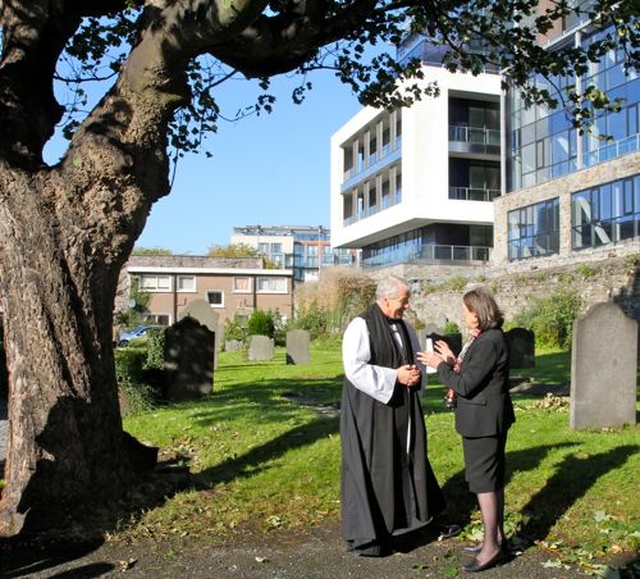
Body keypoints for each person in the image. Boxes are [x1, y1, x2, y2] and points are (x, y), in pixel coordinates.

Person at [340, 275, 447, 557]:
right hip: (373, 410)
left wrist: (413, 375)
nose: (407, 305)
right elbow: (354, 368)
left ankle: (408, 521)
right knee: (379, 463)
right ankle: (378, 529)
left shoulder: (405, 326)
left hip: (402, 407)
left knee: (405, 458)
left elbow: (415, 359)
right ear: (385, 299)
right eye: (403, 300)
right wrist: (394, 377)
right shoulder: (360, 326)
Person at [417, 286, 515, 573]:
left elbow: (465, 385)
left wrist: (440, 367)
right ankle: (495, 536)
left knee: (485, 482)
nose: (464, 316)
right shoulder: (484, 339)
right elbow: (473, 374)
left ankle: (491, 547)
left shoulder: (489, 341)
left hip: (483, 423)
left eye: (467, 311)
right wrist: (451, 359)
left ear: (480, 312)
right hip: (483, 419)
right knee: (491, 480)